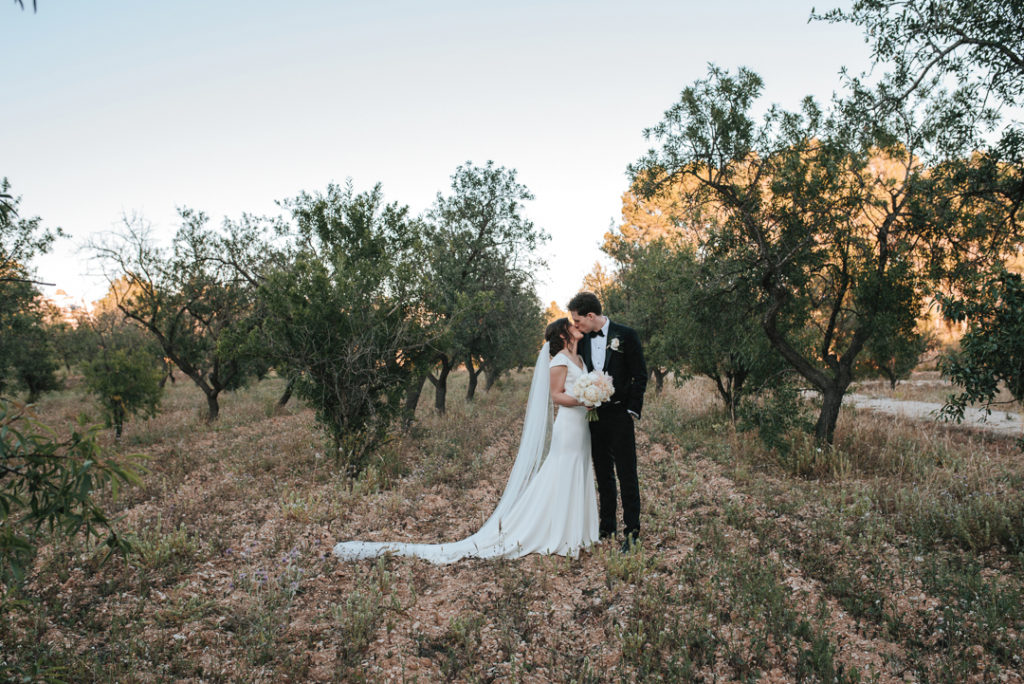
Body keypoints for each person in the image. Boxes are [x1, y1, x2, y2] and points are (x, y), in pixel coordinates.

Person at [333, 317, 600, 563]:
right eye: (571, 323)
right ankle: (557, 533)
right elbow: (556, 396)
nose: (576, 325)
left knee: (577, 469)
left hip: (582, 426)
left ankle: (575, 531)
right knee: (563, 471)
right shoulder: (560, 361)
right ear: (564, 334)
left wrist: (591, 399)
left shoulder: (578, 359)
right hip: (569, 425)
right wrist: (584, 399)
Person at [567, 291, 647, 552]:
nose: (576, 327)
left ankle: (632, 532)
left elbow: (640, 375)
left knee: (627, 473)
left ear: (591, 316)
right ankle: (607, 526)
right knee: (603, 472)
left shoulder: (626, 335)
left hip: (621, 415)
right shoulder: (584, 341)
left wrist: (632, 410)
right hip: (595, 415)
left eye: (578, 321)